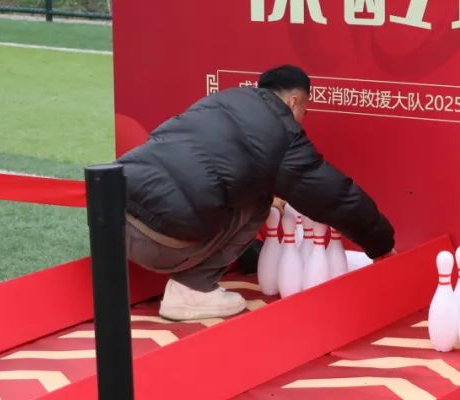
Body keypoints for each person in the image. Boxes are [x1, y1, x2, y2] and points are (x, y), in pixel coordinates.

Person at [118, 64, 396, 321]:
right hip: (162, 243)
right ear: (294, 101)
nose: (302, 119)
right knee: (261, 201)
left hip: (112, 220)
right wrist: (380, 242)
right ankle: (190, 291)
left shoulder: (219, 101)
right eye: (305, 110)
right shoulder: (281, 133)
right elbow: (332, 196)